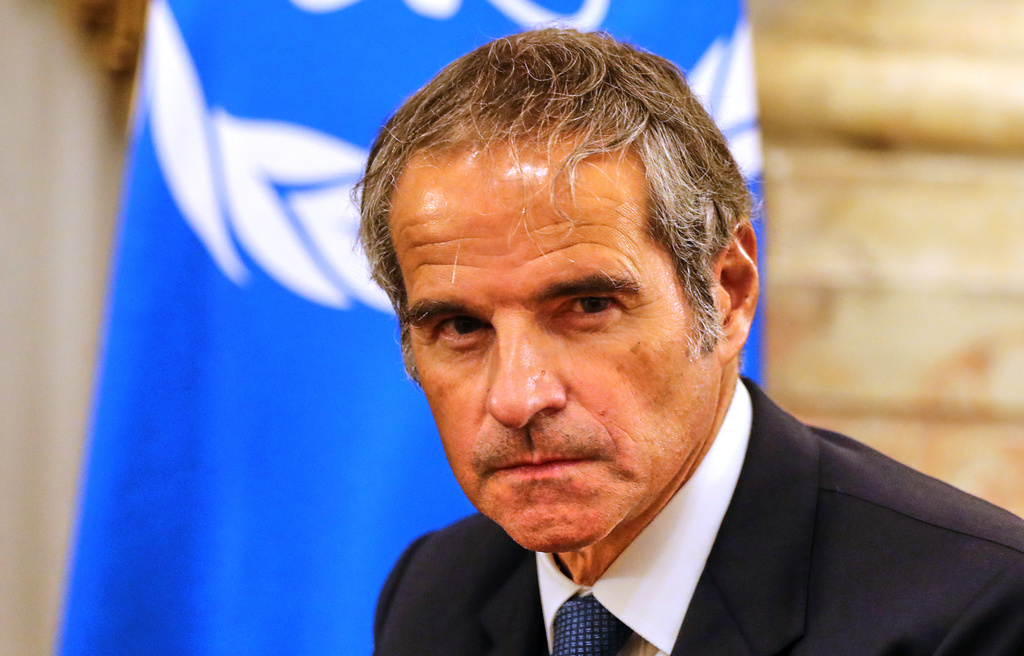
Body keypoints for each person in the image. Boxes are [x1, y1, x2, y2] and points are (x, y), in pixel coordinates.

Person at [357, 28, 1024, 655]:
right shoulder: (436, 590)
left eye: (588, 307)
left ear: (728, 291)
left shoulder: (976, 611)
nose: (517, 397)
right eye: (461, 327)